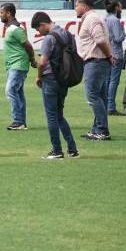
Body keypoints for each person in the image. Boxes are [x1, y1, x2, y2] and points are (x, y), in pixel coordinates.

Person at [31, 12, 79, 159]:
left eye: (38, 30)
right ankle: (72, 148)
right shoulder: (68, 35)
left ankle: (57, 150)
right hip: (64, 78)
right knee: (59, 115)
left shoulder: (49, 38)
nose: (39, 33)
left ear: (43, 25)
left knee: (51, 116)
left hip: (50, 79)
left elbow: (43, 62)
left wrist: (38, 77)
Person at [75, 0, 117, 141]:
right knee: (99, 96)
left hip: (96, 61)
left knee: (92, 96)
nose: (75, 8)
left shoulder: (91, 19)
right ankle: (97, 129)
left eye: (77, 5)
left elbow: (99, 39)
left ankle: (101, 130)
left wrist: (109, 55)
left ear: (84, 6)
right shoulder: (92, 18)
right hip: (97, 61)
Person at [0, 3, 37, 130]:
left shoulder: (16, 29)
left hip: (18, 65)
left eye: (2, 12)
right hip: (13, 65)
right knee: (18, 93)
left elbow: (28, 45)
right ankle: (21, 122)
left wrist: (32, 60)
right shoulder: (12, 27)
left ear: (9, 13)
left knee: (10, 90)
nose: (0, 15)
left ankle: (18, 121)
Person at [103, 0, 126, 116]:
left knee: (107, 80)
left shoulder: (105, 19)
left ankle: (106, 105)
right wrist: (124, 32)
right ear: (116, 8)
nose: (121, 10)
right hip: (116, 53)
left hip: (107, 53)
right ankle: (111, 106)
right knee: (113, 81)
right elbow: (118, 38)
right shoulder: (115, 20)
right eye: (120, 7)